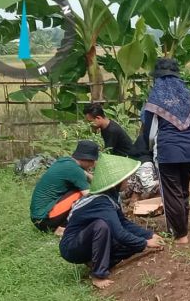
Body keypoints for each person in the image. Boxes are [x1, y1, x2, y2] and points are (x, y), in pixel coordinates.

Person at [60, 154, 165, 289]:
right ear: (117, 182)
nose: (128, 182)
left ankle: (96, 260)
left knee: (132, 245)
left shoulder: (111, 197)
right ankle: (98, 275)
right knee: (101, 226)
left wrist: (148, 235)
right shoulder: (100, 202)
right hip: (72, 246)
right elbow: (119, 232)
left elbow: (123, 222)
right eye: (126, 179)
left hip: (87, 240)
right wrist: (146, 243)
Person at [142, 58, 190, 245]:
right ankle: (182, 226)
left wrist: (150, 149)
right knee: (183, 189)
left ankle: (181, 234)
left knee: (171, 192)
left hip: (169, 151)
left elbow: (150, 132)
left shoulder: (155, 100)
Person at [84, 103, 159, 202]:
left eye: (90, 122)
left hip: (128, 162)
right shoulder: (105, 128)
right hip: (124, 161)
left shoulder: (111, 130)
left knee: (127, 192)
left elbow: (107, 154)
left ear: (98, 118)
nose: (89, 124)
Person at [29, 140, 97, 235]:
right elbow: (90, 197)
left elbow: (85, 174)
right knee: (82, 195)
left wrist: (93, 177)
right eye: (93, 161)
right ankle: (61, 227)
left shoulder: (66, 161)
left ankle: (60, 227)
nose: (93, 165)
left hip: (38, 217)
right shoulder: (75, 170)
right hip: (44, 219)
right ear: (86, 159)